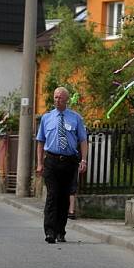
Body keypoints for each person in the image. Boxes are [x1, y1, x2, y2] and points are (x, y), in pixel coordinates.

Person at [36, 87, 88, 244]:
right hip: (51, 160)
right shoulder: (47, 118)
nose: (57, 100)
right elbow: (40, 141)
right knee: (52, 195)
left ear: (66, 100)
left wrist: (83, 160)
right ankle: (50, 231)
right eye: (55, 97)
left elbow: (83, 140)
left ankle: (60, 231)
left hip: (69, 161)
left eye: (60, 98)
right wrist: (39, 163)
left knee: (65, 197)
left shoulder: (76, 118)